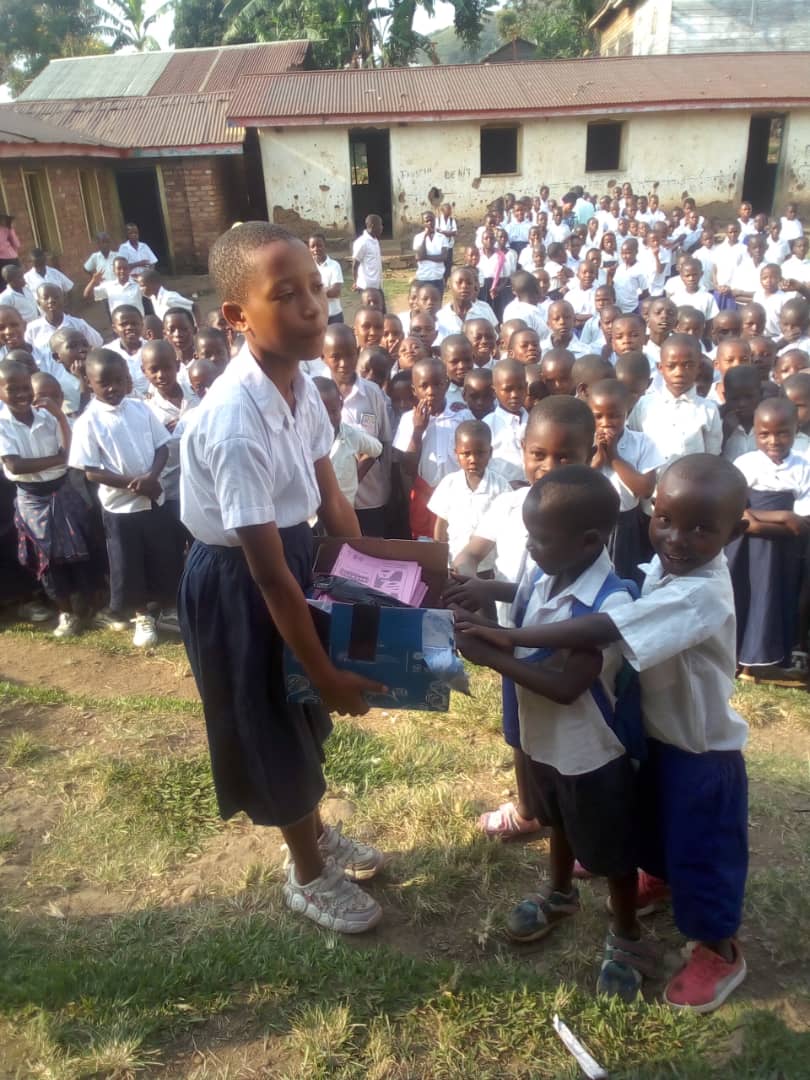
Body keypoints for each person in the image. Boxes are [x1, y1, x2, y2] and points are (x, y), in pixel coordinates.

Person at [461, 454, 750, 1012]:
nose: (676, 538)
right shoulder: (668, 569)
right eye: (665, 519)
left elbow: (606, 624)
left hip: (702, 749)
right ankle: (659, 879)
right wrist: (493, 596)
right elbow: (555, 590)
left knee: (703, 851)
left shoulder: (702, 591)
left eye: (699, 527)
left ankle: (718, 949)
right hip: (657, 736)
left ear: (733, 532)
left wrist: (505, 638)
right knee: (650, 825)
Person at [177, 222, 385, 933]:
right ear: (236, 316)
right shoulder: (237, 423)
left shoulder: (304, 384)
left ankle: (316, 834)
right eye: (285, 295)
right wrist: (327, 669)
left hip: (291, 558)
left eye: (317, 289)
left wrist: (372, 587)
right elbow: (266, 579)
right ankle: (305, 873)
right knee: (271, 718)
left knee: (299, 715)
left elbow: (331, 497)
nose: (311, 307)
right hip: (243, 582)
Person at [455, 467, 651, 1001]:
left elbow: (567, 685)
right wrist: (484, 587)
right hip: (546, 743)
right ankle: (560, 893)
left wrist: (491, 655)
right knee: (558, 820)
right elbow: (523, 592)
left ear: (590, 541)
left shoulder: (611, 604)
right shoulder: (549, 572)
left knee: (609, 847)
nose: (531, 548)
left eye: (539, 539)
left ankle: (627, 932)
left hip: (591, 752)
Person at [446, 396, 597, 840]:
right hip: (515, 638)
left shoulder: (591, 513)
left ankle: (573, 819)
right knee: (520, 730)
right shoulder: (510, 505)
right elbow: (473, 552)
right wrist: (467, 575)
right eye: (539, 454)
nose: (549, 465)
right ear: (523, 448)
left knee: (571, 739)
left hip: (568, 649)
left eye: (565, 455)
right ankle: (531, 808)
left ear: (589, 456)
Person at [68, 349, 183, 647]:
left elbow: (162, 446)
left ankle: (169, 608)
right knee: (128, 563)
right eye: (104, 383)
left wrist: (152, 478)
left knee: (163, 554)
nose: (113, 388)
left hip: (153, 499)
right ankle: (142, 614)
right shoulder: (88, 421)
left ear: (128, 380)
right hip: (120, 508)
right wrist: (135, 485)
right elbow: (91, 472)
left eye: (119, 381)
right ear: (89, 383)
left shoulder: (140, 409)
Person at [0, 359, 96, 637]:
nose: (21, 394)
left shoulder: (47, 416)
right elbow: (15, 466)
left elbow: (70, 453)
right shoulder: (3, 425)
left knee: (79, 547)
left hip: (61, 489)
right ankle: (65, 611)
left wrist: (61, 418)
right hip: (31, 497)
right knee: (46, 557)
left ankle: (86, 605)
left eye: (24, 387)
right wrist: (56, 459)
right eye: (11, 389)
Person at [728, 397, 810, 677]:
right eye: (764, 434)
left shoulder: (803, 466)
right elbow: (735, 512)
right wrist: (782, 516)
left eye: (782, 432)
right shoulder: (746, 463)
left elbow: (802, 523)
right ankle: (738, 657)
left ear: (795, 429)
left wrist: (757, 521)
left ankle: (765, 660)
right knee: (744, 596)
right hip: (745, 550)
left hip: (785, 551)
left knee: (774, 598)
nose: (773, 440)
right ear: (754, 431)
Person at [321, 322, 391, 537]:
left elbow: (381, 441)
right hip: (327, 499)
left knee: (370, 552)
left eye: (350, 355)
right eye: (335, 356)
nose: (344, 363)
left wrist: (353, 481)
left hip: (369, 496)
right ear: (322, 357)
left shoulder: (371, 393)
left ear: (358, 352)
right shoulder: (313, 392)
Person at [588, 378, 661, 582]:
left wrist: (613, 457)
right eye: (598, 416)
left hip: (626, 524)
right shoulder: (584, 443)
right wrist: (597, 460)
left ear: (627, 411)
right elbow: (576, 485)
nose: (605, 422)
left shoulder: (641, 443)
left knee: (623, 577)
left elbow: (645, 489)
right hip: (590, 524)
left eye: (614, 416)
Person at [393, 355, 470, 539]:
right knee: (427, 546)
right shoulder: (408, 420)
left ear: (446, 384)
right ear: (414, 390)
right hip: (425, 495)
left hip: (457, 496)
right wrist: (418, 431)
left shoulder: (462, 416)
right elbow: (408, 467)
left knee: (456, 542)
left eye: (437, 384)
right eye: (424, 386)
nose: (431, 391)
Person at [628, 334, 722, 466]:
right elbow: (633, 443)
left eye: (688, 365)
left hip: (692, 483)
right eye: (671, 366)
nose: (679, 373)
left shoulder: (708, 410)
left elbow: (712, 456)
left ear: (698, 368)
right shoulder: (644, 405)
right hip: (652, 483)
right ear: (661, 368)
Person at [428, 420, 509, 570]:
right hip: (454, 563)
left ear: (490, 452)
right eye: (466, 454)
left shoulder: (501, 487)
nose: (473, 460)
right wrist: (440, 556)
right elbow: (441, 523)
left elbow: (506, 529)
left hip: (487, 568)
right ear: (456, 454)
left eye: (480, 453)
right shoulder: (449, 483)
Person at [314, 377, 383, 509]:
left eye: (334, 411)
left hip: (344, 510)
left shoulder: (352, 435)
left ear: (340, 405)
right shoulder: (303, 439)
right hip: (313, 515)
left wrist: (357, 476)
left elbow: (377, 449)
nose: (329, 418)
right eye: (322, 412)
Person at [485, 360, 528, 483]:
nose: (514, 394)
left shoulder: (535, 421)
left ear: (526, 387)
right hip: (502, 490)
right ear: (494, 392)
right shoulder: (488, 425)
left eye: (520, 388)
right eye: (508, 389)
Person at [25, 285, 102, 354]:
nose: (51, 300)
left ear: (64, 300)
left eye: (56, 297)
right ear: (38, 303)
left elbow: (97, 344)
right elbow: (30, 354)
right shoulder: (32, 329)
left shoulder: (78, 324)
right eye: (45, 298)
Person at [435, 267, 497, 338]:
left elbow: (495, 339)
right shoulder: (441, 317)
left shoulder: (484, 311)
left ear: (474, 286)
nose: (464, 286)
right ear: (449, 285)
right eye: (459, 282)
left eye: (469, 283)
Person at [721, 365, 761, 463]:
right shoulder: (718, 421)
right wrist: (724, 433)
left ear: (761, 393)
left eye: (749, 397)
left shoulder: (770, 424)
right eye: (735, 398)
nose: (742, 403)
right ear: (725, 396)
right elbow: (711, 457)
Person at [106, 305, 149, 397]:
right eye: (123, 324)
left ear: (142, 325)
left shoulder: (152, 349)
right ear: (114, 328)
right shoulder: (108, 353)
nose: (129, 327)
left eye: (134, 323)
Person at [308, 233, 344, 324]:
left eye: (319, 245)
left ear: (325, 247)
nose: (316, 249)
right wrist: (325, 289)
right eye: (312, 246)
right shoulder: (307, 267)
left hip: (334, 315)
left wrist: (313, 290)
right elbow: (304, 292)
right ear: (309, 249)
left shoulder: (334, 266)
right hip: (316, 316)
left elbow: (335, 292)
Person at [413, 211, 447, 288]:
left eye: (432, 220)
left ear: (435, 221)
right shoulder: (418, 238)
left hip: (438, 277)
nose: (429, 223)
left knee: (438, 300)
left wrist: (426, 257)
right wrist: (425, 236)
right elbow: (419, 256)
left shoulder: (442, 237)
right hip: (423, 277)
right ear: (423, 223)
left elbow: (443, 257)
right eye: (427, 221)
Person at [352, 214, 383, 296]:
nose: (382, 227)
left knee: (381, 308)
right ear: (373, 225)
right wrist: (355, 282)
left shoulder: (375, 240)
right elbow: (355, 265)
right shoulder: (362, 242)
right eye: (380, 225)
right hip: (366, 288)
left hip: (377, 286)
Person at [441, 333, 475, 408]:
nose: (462, 366)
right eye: (454, 362)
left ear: (473, 358)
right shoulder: (441, 394)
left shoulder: (484, 384)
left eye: (467, 360)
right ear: (442, 362)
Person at [436, 202, 458, 280]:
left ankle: (446, 280)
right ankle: (440, 279)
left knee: (448, 264)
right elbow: (436, 232)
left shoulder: (452, 220)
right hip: (440, 246)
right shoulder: (437, 220)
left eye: (450, 209)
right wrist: (448, 233)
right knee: (441, 263)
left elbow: (455, 233)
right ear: (443, 210)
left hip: (449, 245)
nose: (450, 211)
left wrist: (443, 232)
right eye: (448, 209)